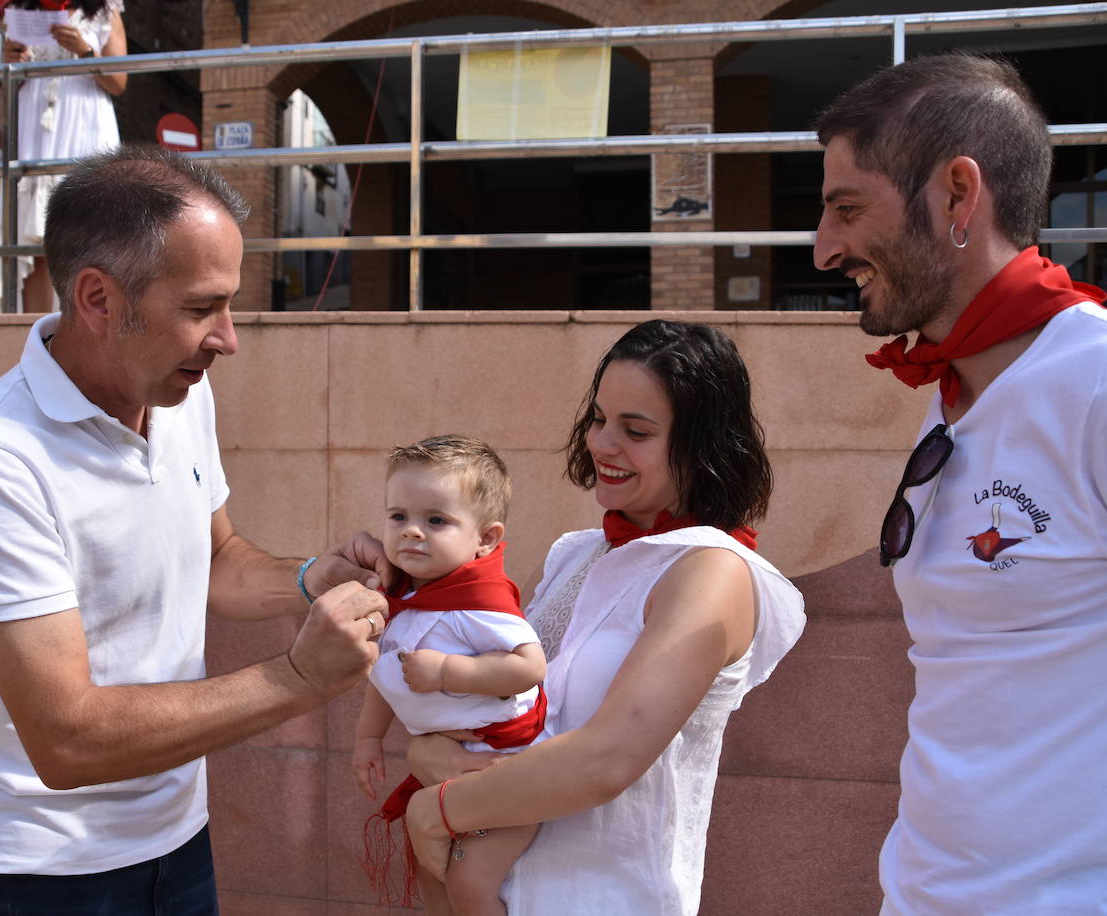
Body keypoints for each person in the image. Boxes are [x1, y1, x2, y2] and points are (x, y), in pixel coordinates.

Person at [0, 144, 392, 914]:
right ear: (98, 299)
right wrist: (300, 676)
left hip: (177, 836)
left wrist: (311, 579)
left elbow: (216, 557)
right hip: (45, 865)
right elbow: (65, 741)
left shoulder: (179, 394)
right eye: (201, 308)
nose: (228, 338)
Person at [811, 52, 1107, 915]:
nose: (825, 250)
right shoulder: (952, 398)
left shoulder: (1093, 384)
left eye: (846, 209)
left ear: (956, 196)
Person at [403, 320, 806, 915]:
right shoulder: (574, 554)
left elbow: (606, 760)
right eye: (598, 419)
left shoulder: (711, 569)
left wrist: (436, 808)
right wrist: (429, 754)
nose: (603, 444)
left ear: (703, 445)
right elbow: (490, 705)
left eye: (635, 431)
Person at [354, 435, 547, 915]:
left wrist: (447, 670)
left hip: (505, 762)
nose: (412, 531)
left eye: (436, 520)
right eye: (398, 516)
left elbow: (529, 667)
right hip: (447, 766)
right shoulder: (402, 601)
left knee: (470, 883)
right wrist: (367, 739)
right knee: (431, 876)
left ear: (486, 539)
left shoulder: (478, 602)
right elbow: (387, 676)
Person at [0, 0, 127, 313]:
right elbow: (6, 92)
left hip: (83, 125)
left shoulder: (104, 12)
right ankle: (40, 332)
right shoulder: (23, 12)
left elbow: (119, 81)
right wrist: (11, 63)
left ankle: (85, 329)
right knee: (34, 237)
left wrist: (85, 51)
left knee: (88, 240)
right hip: (34, 127)